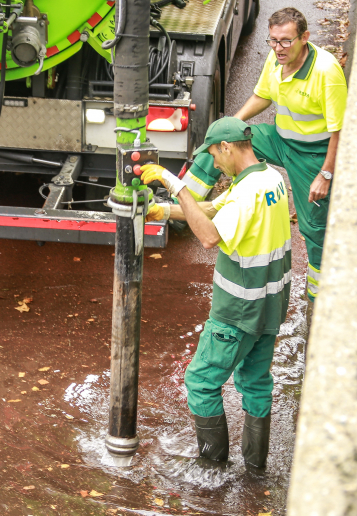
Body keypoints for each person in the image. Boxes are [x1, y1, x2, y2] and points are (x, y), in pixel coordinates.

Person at [141, 117, 292, 467]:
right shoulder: (269, 179)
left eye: (213, 155)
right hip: (271, 305)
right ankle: (255, 468)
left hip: (238, 310)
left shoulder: (246, 193)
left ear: (226, 147)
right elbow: (214, 208)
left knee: (200, 381)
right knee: (256, 382)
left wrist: (176, 186)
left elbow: (209, 236)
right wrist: (162, 211)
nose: (214, 163)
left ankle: (211, 468)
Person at [182, 7, 347, 302]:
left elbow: (339, 131)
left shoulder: (326, 71)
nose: (278, 48)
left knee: (313, 226)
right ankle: (184, 204)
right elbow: (262, 96)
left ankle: (318, 298)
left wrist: (325, 174)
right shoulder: (276, 59)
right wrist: (231, 125)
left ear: (304, 38)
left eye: (285, 41)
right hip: (279, 140)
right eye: (273, 40)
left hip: (312, 155)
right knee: (218, 139)